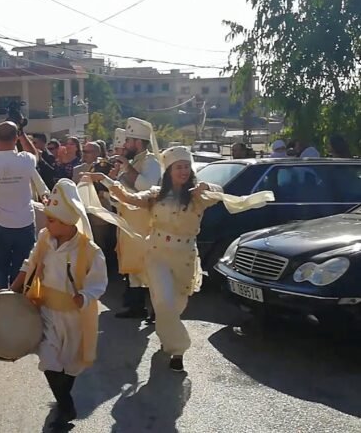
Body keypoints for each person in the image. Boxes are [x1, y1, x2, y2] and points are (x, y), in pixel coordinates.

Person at [84, 146, 272, 372]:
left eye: (186, 166)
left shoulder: (198, 196)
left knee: (176, 306)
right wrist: (105, 179)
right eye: (178, 167)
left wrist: (208, 186)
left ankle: (167, 338)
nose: (183, 171)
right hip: (157, 254)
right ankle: (178, 350)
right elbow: (129, 198)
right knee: (163, 301)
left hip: (184, 257)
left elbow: (219, 192)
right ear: (169, 171)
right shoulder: (155, 194)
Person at [10, 179, 108, 429]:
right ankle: (65, 405)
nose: (46, 223)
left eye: (51, 220)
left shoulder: (91, 251)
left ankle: (63, 401)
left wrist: (84, 296)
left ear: (67, 222)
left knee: (70, 365)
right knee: (49, 361)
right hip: (46, 311)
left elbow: (99, 283)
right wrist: (11, 291)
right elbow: (29, 264)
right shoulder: (44, 238)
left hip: (75, 317)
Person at [0, 121, 42, 290]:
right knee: (23, 266)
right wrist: (23, 134)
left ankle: (1, 298)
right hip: (25, 222)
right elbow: (35, 154)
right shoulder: (25, 160)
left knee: (0, 265)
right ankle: (18, 298)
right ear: (16, 139)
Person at [112, 117, 162, 321]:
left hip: (144, 223)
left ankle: (157, 310)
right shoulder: (135, 161)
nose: (125, 145)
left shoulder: (150, 162)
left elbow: (147, 187)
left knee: (148, 267)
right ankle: (136, 306)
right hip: (129, 221)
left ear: (138, 143)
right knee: (133, 266)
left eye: (129, 141)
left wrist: (127, 168)